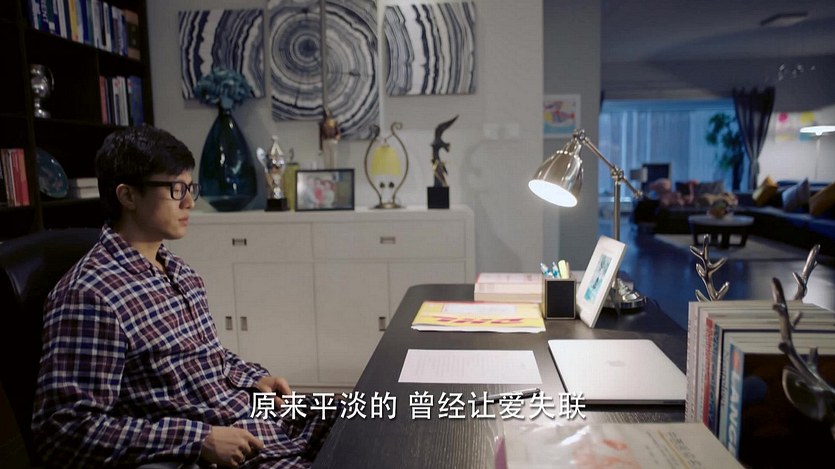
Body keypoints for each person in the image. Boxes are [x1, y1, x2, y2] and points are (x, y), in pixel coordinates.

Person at [32, 125, 337, 468]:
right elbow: (63, 430)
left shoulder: (180, 272)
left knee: (372, 412)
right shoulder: (89, 295)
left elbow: (205, 357)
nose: (190, 202)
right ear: (128, 196)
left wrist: (254, 378)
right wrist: (198, 440)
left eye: (190, 188)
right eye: (176, 190)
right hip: (238, 448)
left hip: (261, 413)